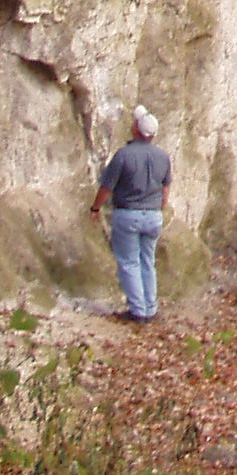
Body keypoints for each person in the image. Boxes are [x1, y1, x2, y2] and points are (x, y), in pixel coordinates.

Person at [90, 105, 172, 323]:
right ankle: (150, 307)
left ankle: (138, 311)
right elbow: (165, 190)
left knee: (129, 262)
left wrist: (95, 208)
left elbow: (106, 187)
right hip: (153, 215)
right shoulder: (163, 157)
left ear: (136, 129)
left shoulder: (123, 155)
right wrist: (158, 208)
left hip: (128, 214)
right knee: (148, 261)